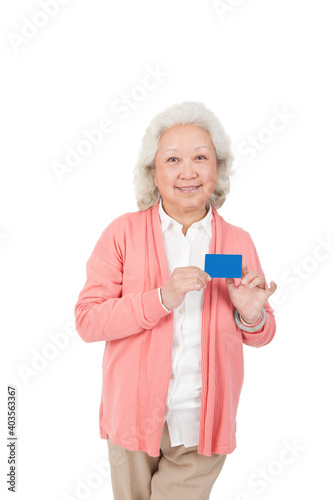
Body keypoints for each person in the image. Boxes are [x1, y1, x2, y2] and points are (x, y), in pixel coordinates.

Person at [74, 101, 277, 500]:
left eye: (201, 157)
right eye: (173, 159)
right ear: (153, 171)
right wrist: (162, 299)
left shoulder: (237, 241)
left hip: (202, 422)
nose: (188, 172)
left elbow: (261, 332)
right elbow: (88, 320)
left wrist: (251, 315)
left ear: (218, 167)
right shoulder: (123, 234)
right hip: (130, 418)